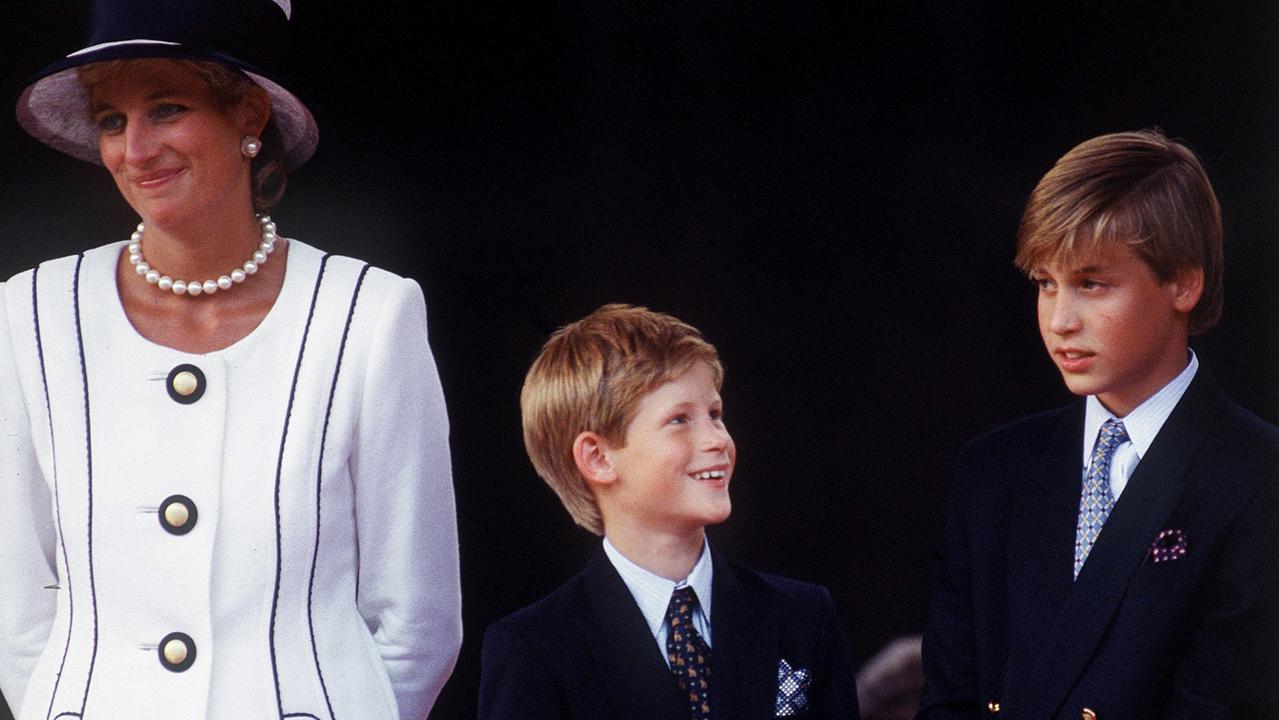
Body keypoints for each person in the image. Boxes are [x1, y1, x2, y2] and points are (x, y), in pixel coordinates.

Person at [0, 2, 461, 719]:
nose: (136, 149)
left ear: (248, 115)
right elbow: (17, 602)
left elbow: (418, 620)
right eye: (113, 121)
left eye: (167, 108)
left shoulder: (367, 313)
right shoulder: (31, 314)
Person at [918, 129, 1279, 718]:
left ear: (1184, 283)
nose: (1060, 320)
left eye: (1091, 284)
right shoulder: (992, 471)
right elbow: (948, 700)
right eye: (1045, 283)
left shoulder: (1258, 478)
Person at [476, 303, 860, 719]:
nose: (717, 439)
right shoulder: (535, 650)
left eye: (715, 414)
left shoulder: (801, 617)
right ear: (598, 458)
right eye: (679, 420)